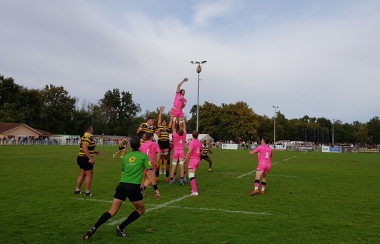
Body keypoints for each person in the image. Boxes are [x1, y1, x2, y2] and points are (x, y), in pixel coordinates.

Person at [83, 136, 160, 240]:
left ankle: (93, 228)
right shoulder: (144, 157)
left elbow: (123, 171)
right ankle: (120, 227)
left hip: (122, 185)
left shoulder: (126, 157)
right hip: (133, 187)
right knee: (141, 210)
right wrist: (156, 189)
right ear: (140, 145)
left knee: (112, 211)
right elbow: (150, 173)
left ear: (130, 145)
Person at [74, 125, 100, 197]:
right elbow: (85, 148)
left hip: (81, 157)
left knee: (82, 174)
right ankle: (87, 192)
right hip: (85, 158)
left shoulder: (85, 136)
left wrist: (94, 151)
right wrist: (90, 158)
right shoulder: (87, 136)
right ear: (90, 129)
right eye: (92, 127)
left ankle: (77, 190)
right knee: (89, 175)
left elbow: (87, 148)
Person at [170, 116, 187, 185]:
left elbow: (173, 127)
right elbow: (184, 128)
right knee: (182, 166)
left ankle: (171, 180)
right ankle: (181, 180)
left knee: (174, 166)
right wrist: (183, 121)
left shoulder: (175, 135)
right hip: (181, 152)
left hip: (175, 152)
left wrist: (174, 119)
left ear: (177, 132)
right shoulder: (184, 135)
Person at [157, 106, 172, 181]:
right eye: (163, 121)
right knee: (159, 157)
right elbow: (159, 119)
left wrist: (171, 114)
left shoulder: (168, 128)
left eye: (165, 121)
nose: (164, 122)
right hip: (160, 142)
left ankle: (165, 172)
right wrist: (160, 112)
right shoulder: (159, 126)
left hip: (166, 142)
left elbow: (171, 122)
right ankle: (159, 170)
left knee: (166, 157)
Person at [185, 131, 203, 196]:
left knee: (191, 175)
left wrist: (185, 160)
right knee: (192, 175)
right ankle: (193, 189)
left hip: (193, 160)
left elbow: (189, 152)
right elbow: (201, 152)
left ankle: (195, 191)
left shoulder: (192, 142)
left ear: (192, 135)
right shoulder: (199, 142)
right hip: (198, 160)